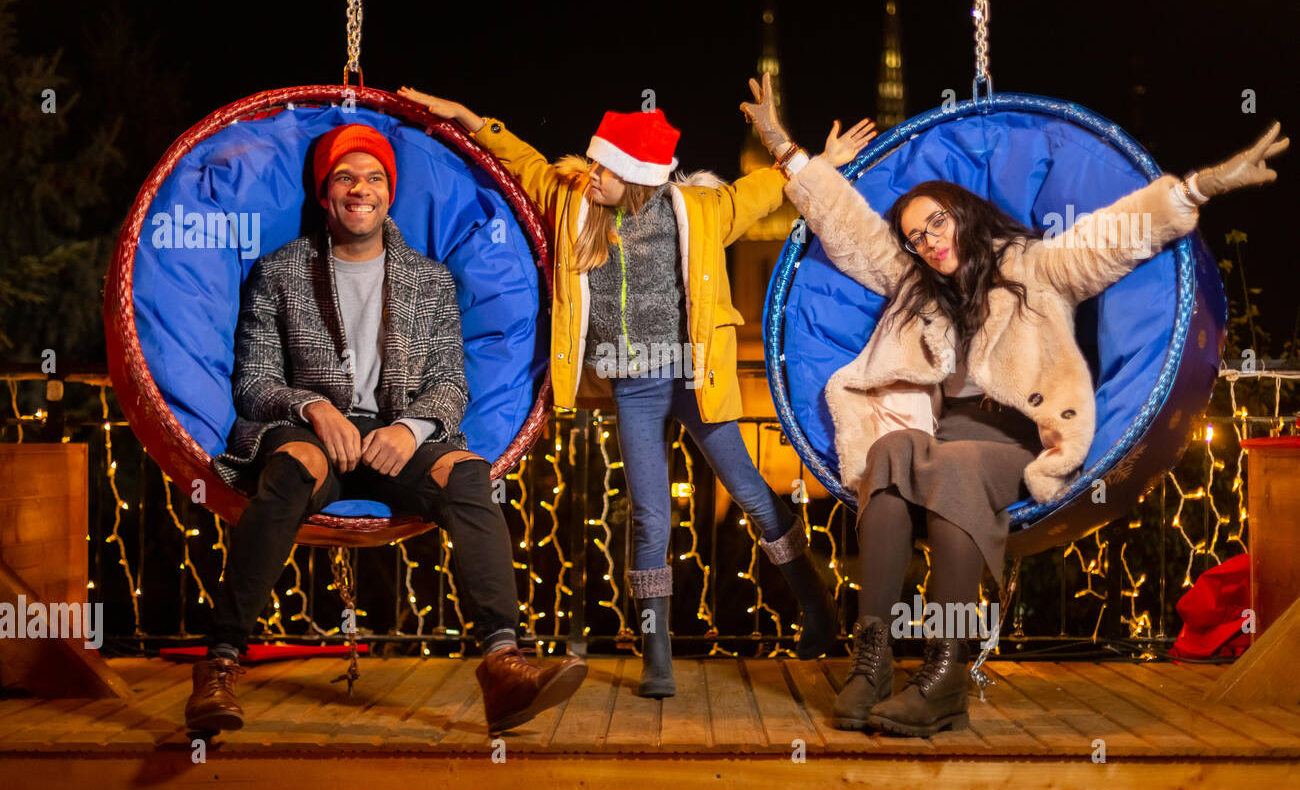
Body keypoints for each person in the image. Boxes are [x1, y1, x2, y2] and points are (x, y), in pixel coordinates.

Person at [747, 82, 1288, 736]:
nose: (927, 242)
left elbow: (1117, 236)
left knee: (956, 463)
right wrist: (783, 148)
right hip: (939, 433)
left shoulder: (1039, 267)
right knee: (889, 454)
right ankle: (873, 659)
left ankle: (945, 674)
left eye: (936, 223)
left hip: (1015, 434)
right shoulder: (912, 284)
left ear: (964, 214)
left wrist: (1199, 186)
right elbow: (849, 229)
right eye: (916, 236)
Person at [396, 83, 874, 697]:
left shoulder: (700, 211)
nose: (590, 174)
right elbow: (528, 165)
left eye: (604, 168)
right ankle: (657, 652)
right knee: (650, 514)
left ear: (635, 175)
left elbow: (775, 190)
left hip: (696, 379)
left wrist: (816, 159)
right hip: (634, 384)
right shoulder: (577, 207)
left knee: (754, 495)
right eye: (593, 164)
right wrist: (471, 119)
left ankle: (816, 605)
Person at [190, 122, 588, 735]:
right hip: (306, 429)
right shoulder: (279, 272)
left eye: (374, 177)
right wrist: (313, 410)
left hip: (394, 436)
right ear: (325, 195)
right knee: (293, 469)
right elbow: (254, 383)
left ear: (389, 194)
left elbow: (452, 386)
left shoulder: (430, 278)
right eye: (345, 177)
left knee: (467, 474)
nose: (361, 188)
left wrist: (412, 427)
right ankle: (219, 665)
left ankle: (504, 663)